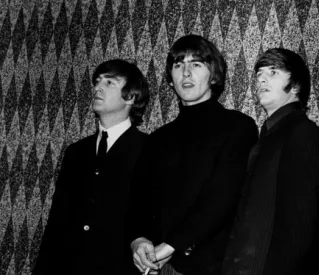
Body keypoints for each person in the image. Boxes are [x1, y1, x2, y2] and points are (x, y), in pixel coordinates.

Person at [128, 34, 258, 275]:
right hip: (156, 266)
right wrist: (139, 240)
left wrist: (169, 247)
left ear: (214, 75)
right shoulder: (157, 139)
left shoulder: (238, 126)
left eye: (196, 64)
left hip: (210, 266)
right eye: (178, 65)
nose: (186, 73)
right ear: (170, 80)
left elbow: (221, 198)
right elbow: (137, 200)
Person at [33, 59, 150, 275]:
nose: (97, 87)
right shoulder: (75, 152)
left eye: (109, 82)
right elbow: (57, 221)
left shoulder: (149, 149)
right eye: (97, 81)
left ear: (131, 97)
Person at [222, 48, 319, 275]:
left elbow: (301, 225)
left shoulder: (302, 132)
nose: (261, 79)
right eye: (259, 74)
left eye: (273, 72)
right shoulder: (269, 134)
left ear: (296, 85)